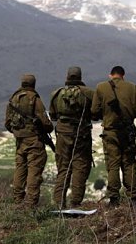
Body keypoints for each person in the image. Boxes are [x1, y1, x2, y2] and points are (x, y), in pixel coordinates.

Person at [91, 66, 136, 207]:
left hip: (110, 132)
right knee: (128, 163)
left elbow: (94, 111)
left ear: (111, 75)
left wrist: (105, 115)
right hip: (127, 132)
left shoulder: (101, 87)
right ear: (123, 76)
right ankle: (133, 198)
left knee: (113, 165)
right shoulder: (132, 87)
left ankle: (114, 198)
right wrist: (129, 117)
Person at [5, 74, 53, 208]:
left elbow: (8, 123)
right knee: (34, 170)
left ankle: (17, 199)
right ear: (34, 84)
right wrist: (48, 128)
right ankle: (31, 203)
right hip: (34, 141)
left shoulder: (13, 99)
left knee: (20, 168)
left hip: (19, 141)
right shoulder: (34, 98)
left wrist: (19, 133)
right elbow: (45, 122)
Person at [49, 66, 94, 209]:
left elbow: (53, 116)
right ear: (80, 76)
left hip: (63, 134)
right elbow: (96, 113)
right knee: (80, 166)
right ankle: (76, 202)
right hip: (82, 135)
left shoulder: (56, 94)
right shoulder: (89, 93)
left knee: (63, 168)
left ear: (67, 76)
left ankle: (58, 203)